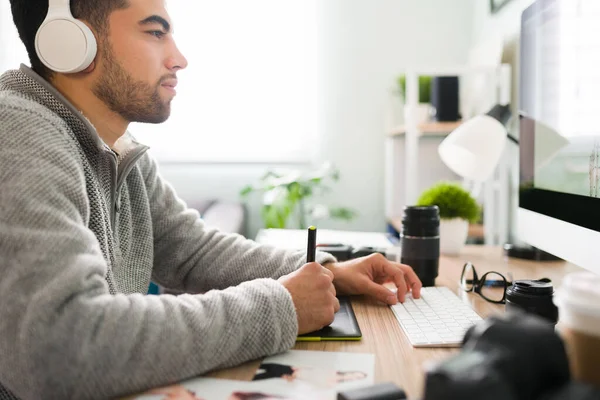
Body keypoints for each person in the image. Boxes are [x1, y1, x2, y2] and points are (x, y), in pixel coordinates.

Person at [0, 1, 422, 399]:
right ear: (69, 41)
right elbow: (62, 347)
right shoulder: (19, 134)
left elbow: (192, 251)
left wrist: (327, 271)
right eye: (155, 33)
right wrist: (281, 306)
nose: (179, 58)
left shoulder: (117, 148)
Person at [253, 363, 367, 389]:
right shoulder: (334, 372)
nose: (353, 376)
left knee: (257, 377)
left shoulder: (332, 384)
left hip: (291, 375)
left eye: (357, 378)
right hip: (292, 368)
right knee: (259, 366)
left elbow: (311, 384)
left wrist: (294, 379)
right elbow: (314, 369)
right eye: (355, 374)